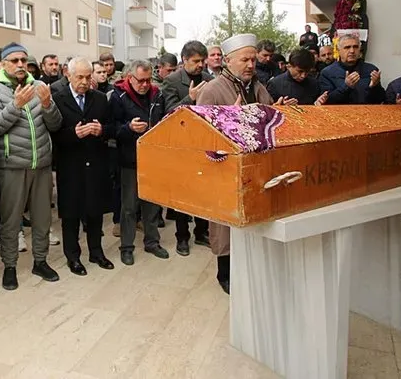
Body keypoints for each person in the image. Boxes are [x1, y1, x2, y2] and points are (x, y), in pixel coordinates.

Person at [197, 33, 290, 294]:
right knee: (225, 226)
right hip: (224, 170)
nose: (251, 64)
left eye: (253, 59)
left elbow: (267, 118)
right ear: (228, 61)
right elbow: (201, 134)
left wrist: (277, 112)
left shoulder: (258, 87)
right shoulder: (212, 90)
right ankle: (224, 273)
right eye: (245, 60)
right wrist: (230, 119)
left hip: (255, 169)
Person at [0, 42, 63, 291]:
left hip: (41, 164)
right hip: (12, 165)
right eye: (14, 61)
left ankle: (40, 261)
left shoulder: (39, 86)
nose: (20, 65)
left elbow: (56, 125)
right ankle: (9, 266)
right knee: (11, 220)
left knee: (42, 218)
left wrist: (48, 105)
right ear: (4, 63)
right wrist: (15, 105)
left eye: (24, 61)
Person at [52, 58, 115, 276]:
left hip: (95, 162)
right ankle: (73, 256)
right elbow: (52, 134)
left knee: (95, 211)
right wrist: (73, 134)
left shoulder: (98, 99)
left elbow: (111, 126)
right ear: (68, 75)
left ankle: (96, 252)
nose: (85, 81)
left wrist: (102, 130)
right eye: (80, 77)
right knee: (71, 213)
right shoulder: (58, 99)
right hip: (70, 165)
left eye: (88, 77)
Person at [111, 59, 169, 266]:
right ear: (129, 78)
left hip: (153, 158)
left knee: (152, 204)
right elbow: (111, 129)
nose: (145, 85)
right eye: (140, 81)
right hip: (129, 159)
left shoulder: (157, 94)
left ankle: (152, 242)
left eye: (148, 80)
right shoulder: (118, 96)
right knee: (128, 207)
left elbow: (165, 120)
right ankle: (126, 247)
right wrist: (128, 128)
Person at [162, 40, 214, 255]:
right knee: (183, 194)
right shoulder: (172, 81)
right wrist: (189, 99)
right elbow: (168, 113)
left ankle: (201, 232)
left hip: (202, 143)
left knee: (202, 193)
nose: (200, 65)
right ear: (184, 60)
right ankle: (182, 237)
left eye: (203, 61)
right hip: (181, 145)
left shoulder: (210, 80)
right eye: (196, 61)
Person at [319, 33, 385, 105]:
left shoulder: (371, 70)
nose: (352, 51)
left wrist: (374, 87)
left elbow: (381, 100)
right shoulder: (327, 73)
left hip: (366, 113)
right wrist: (346, 87)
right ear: (338, 51)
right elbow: (327, 101)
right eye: (347, 47)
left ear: (360, 50)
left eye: (355, 47)